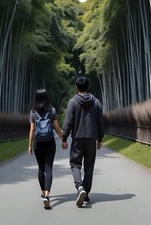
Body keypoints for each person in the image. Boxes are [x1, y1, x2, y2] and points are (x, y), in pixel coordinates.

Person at [62, 76, 104, 207]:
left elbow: (68, 122)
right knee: (89, 166)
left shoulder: (73, 102)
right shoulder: (96, 102)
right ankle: (86, 194)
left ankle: (80, 188)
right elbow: (100, 122)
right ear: (88, 87)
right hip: (91, 139)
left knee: (75, 164)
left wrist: (64, 137)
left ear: (76, 88)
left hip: (78, 139)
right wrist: (100, 139)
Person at [28, 88, 65, 209]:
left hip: (38, 143)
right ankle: (47, 195)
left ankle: (43, 192)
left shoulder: (33, 112)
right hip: (49, 143)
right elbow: (57, 127)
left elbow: (32, 130)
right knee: (48, 168)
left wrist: (29, 146)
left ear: (36, 98)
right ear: (47, 98)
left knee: (41, 168)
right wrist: (63, 140)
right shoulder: (52, 110)